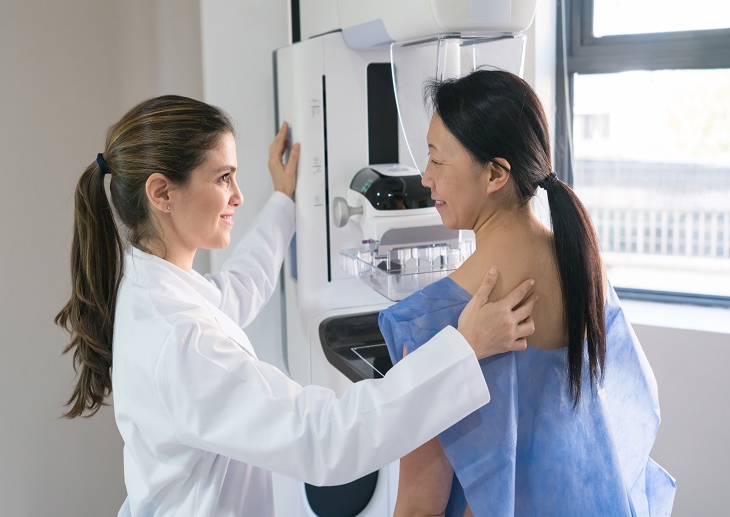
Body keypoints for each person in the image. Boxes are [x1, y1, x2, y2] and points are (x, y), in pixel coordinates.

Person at [54, 95, 539, 516]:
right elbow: (325, 438)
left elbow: (236, 290)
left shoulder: (153, 289)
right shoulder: (181, 339)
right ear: (162, 193)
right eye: (223, 178)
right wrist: (464, 349)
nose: (238, 196)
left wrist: (283, 202)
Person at [379, 69, 677, 517]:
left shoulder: (431, 323)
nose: (426, 177)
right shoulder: (583, 269)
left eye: (437, 159)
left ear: (495, 173)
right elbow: (630, 416)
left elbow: (418, 507)